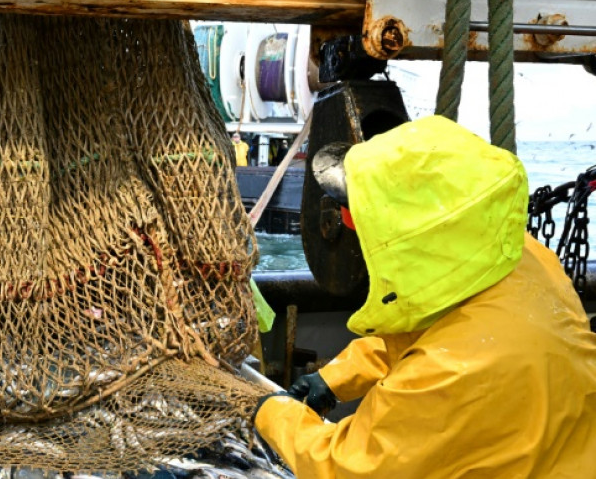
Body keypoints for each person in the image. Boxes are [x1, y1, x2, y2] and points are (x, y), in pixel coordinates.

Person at [252, 115, 596, 478]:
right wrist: (338, 375)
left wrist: (273, 413)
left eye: (356, 216)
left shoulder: (448, 375)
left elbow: (348, 468)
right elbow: (438, 330)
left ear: (410, 230)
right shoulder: (521, 256)